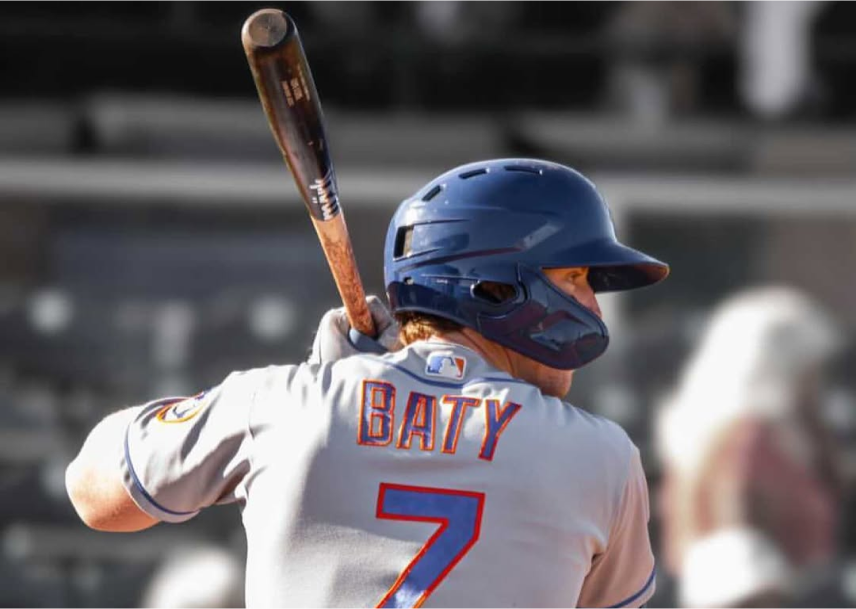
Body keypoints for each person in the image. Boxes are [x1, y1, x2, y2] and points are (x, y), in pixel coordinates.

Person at [65, 159, 669, 609]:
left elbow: (94, 492)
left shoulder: (286, 405)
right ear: (494, 288)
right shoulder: (603, 459)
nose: (591, 302)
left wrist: (324, 384)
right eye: (575, 277)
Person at [657, 287, 844, 579]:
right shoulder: (749, 441)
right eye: (809, 371)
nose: (815, 384)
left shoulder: (716, 432)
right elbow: (741, 555)